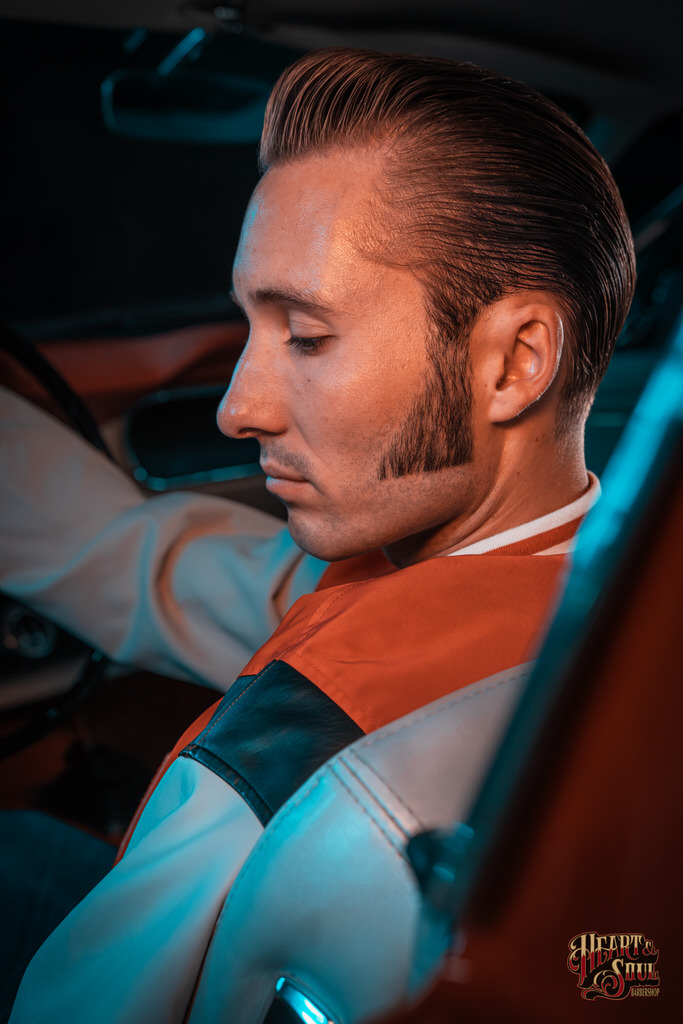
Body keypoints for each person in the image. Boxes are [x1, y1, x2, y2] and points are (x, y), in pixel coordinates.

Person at [1, 48, 635, 1023]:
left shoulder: (299, 738)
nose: (236, 409)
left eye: (305, 337)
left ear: (514, 363)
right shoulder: (599, 587)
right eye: (248, 331)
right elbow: (173, 571)